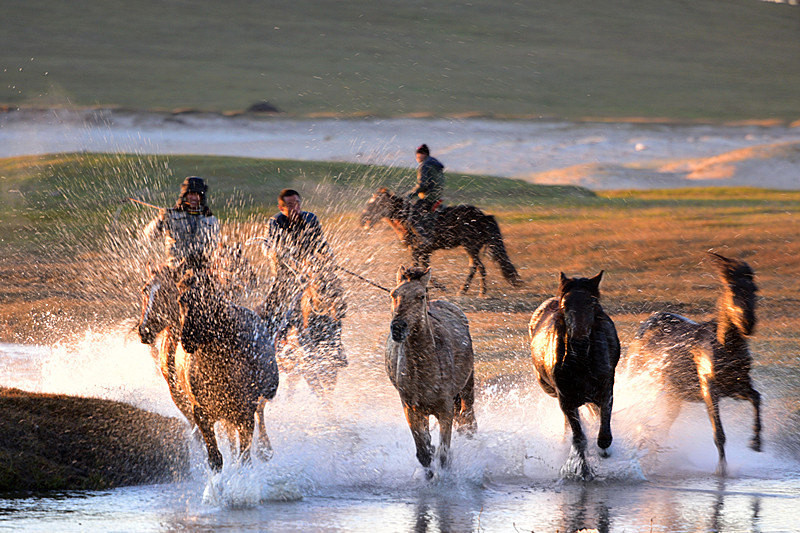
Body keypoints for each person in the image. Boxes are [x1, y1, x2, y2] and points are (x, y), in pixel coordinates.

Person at [259, 189, 343, 334]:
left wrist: (329, 259)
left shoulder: (311, 218)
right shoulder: (275, 222)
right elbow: (266, 245)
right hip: (285, 273)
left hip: (311, 269)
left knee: (333, 285)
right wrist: (273, 251)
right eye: (290, 205)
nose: (295, 208)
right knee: (273, 305)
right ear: (281, 208)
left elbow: (322, 244)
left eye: (297, 203)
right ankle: (271, 331)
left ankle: (336, 319)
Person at [143, 176, 220, 272]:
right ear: (185, 195)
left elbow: (214, 247)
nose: (193, 198)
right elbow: (149, 235)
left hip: (201, 269)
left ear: (201, 197)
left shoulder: (211, 221)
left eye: (197, 194)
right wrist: (160, 220)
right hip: (173, 267)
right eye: (191, 194)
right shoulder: (171, 215)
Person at [406, 143, 445, 241]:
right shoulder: (435, 164)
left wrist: (410, 195)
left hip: (429, 197)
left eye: (418, 154)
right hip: (437, 196)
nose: (417, 157)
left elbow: (423, 185)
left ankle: (425, 239)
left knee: (412, 218)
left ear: (423, 154)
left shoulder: (424, 165)